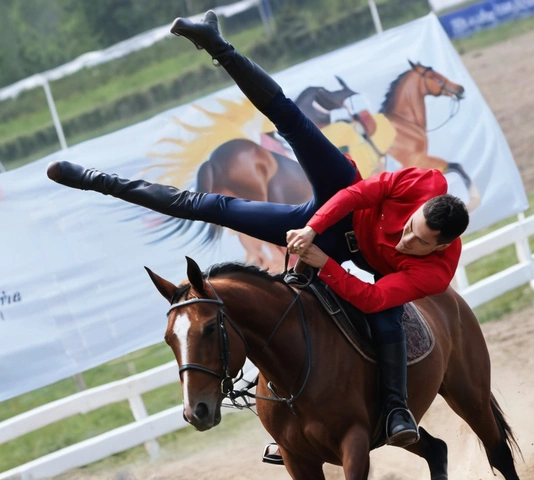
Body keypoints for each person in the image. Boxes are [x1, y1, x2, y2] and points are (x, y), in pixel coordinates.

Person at [46, 10, 469, 459]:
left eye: (418, 244)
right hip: (336, 203)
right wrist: (312, 228)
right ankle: (202, 56)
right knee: (280, 133)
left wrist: (322, 262)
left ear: (440, 247)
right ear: (419, 209)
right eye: (408, 228)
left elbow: (372, 299)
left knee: (375, 321)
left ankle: (393, 409)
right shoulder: (425, 183)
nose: (406, 241)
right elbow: (364, 190)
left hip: (337, 253)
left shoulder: (436, 274)